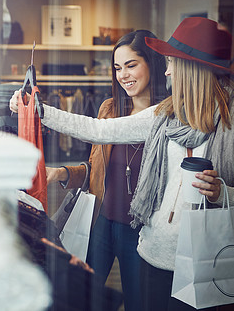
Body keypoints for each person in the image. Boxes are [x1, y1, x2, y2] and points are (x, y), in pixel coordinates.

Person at [9, 17, 234, 311]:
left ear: (193, 67)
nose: (168, 69)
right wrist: (39, 111)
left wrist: (223, 193)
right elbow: (100, 130)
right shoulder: (167, 114)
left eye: (173, 62)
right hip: (154, 253)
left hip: (206, 258)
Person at [45, 30, 169, 311]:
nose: (123, 75)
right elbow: (97, 170)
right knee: (79, 299)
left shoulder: (168, 117)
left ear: (153, 64)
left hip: (141, 231)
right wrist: (63, 173)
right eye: (117, 68)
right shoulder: (110, 109)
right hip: (101, 222)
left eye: (131, 65)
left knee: (139, 304)